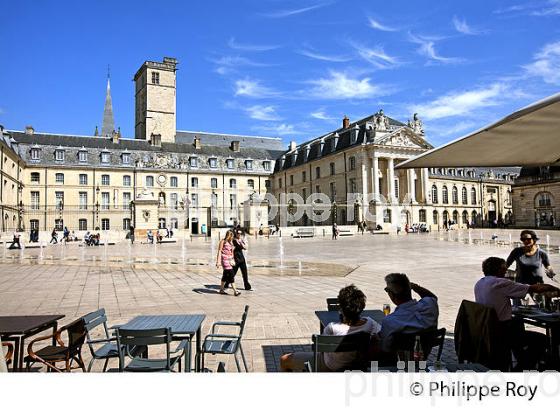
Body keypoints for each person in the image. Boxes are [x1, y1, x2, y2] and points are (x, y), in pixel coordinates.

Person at [475, 257, 559, 369]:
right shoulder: (500, 283)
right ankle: (522, 367)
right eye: (504, 268)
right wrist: (555, 289)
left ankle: (522, 361)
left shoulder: (480, 283)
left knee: (517, 323)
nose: (506, 270)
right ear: (498, 269)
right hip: (501, 332)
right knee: (541, 339)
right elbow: (534, 288)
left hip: (487, 330)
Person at [280, 285, 381, 371]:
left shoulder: (332, 328)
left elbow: (321, 350)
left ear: (341, 309)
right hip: (356, 365)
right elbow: (380, 334)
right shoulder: (370, 324)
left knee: (284, 359)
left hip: (329, 366)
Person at [377, 273, 439, 353]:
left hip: (399, 362)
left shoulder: (390, 321)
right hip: (423, 356)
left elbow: (385, 348)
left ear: (391, 295)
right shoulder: (430, 305)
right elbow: (432, 297)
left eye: (387, 290)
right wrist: (416, 287)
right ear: (409, 289)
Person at [216, 230, 241, 296]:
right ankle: (235, 291)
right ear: (229, 236)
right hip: (224, 260)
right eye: (232, 236)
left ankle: (221, 289)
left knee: (225, 275)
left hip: (230, 260)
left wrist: (233, 259)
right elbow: (219, 251)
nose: (232, 237)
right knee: (231, 274)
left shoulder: (231, 242)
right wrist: (218, 262)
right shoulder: (223, 241)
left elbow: (231, 252)